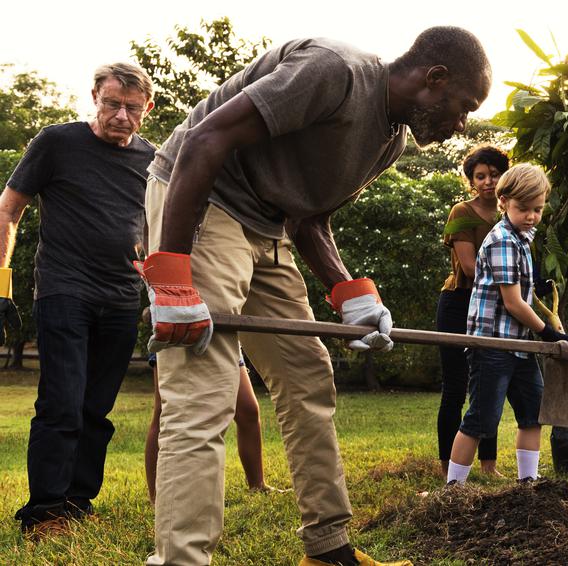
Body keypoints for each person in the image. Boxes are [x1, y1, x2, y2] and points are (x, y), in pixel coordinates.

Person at [139, 28, 490, 566]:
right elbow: (204, 139)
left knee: (307, 378)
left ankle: (328, 550)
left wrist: (350, 293)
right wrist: (172, 275)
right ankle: (182, 560)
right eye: (463, 106)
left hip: (268, 225)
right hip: (203, 202)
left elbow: (308, 217)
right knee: (202, 392)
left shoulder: (389, 140)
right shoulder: (335, 71)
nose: (462, 123)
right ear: (433, 78)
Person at [2, 62, 156, 539]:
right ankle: (44, 511)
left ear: (147, 109)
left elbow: (154, 226)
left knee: (96, 408)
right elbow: (10, 207)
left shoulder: (152, 158)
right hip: (64, 289)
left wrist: (159, 286)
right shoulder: (57, 142)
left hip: (123, 296)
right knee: (62, 402)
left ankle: (76, 500)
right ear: (95, 97)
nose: (122, 117)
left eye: (133, 108)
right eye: (113, 104)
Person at [446, 164, 568, 485]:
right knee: (481, 418)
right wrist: (546, 332)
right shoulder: (503, 239)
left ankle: (527, 483)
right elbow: (513, 302)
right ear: (503, 202)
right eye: (523, 209)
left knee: (533, 414)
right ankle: (454, 487)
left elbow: (518, 290)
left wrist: (535, 287)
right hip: (493, 345)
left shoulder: (521, 237)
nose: (531, 216)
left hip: (519, 345)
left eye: (538, 209)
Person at [435, 145, 508, 478]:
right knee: (455, 387)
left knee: (489, 383)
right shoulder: (461, 212)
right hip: (459, 302)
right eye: (481, 176)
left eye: (494, 174)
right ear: (471, 181)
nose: (488, 182)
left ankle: (489, 465)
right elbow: (469, 266)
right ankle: (446, 464)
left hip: (497, 305)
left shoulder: (512, 214)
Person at [144, 352, 278, 503]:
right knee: (163, 412)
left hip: (224, 340)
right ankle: (156, 497)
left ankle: (257, 485)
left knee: (248, 410)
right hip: (178, 337)